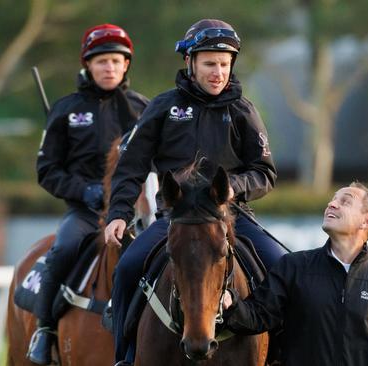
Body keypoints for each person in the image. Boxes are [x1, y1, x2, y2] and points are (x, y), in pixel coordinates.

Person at [104, 18, 287, 366]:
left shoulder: (243, 111)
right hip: (176, 218)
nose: (218, 72)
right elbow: (131, 168)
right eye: (209, 64)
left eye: (224, 64)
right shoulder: (161, 107)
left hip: (232, 217)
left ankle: (279, 356)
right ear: (190, 63)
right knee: (127, 268)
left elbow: (265, 173)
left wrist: (236, 186)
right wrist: (118, 214)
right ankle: (125, 357)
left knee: (281, 266)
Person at [28, 24, 149, 365]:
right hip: (86, 214)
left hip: (134, 213)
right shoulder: (65, 110)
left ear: (126, 65)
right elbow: (47, 171)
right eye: (101, 62)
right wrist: (84, 191)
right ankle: (46, 329)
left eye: (115, 61)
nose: (109, 68)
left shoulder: (145, 109)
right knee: (63, 247)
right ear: (87, 65)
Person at [222, 182, 368, 366]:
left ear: (366, 221)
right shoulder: (293, 267)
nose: (332, 203)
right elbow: (256, 317)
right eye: (333, 198)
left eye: (345, 201)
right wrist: (230, 304)